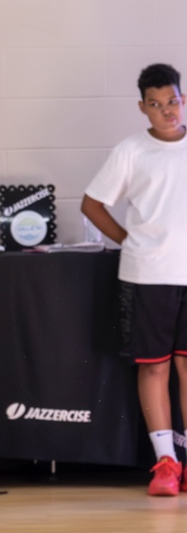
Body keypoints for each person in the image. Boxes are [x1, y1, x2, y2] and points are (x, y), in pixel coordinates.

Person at [81, 61, 187, 496]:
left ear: (183, 99)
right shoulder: (131, 151)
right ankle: (166, 463)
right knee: (155, 367)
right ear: (142, 107)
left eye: (173, 101)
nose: (167, 111)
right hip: (149, 275)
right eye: (157, 104)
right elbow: (92, 204)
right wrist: (131, 241)